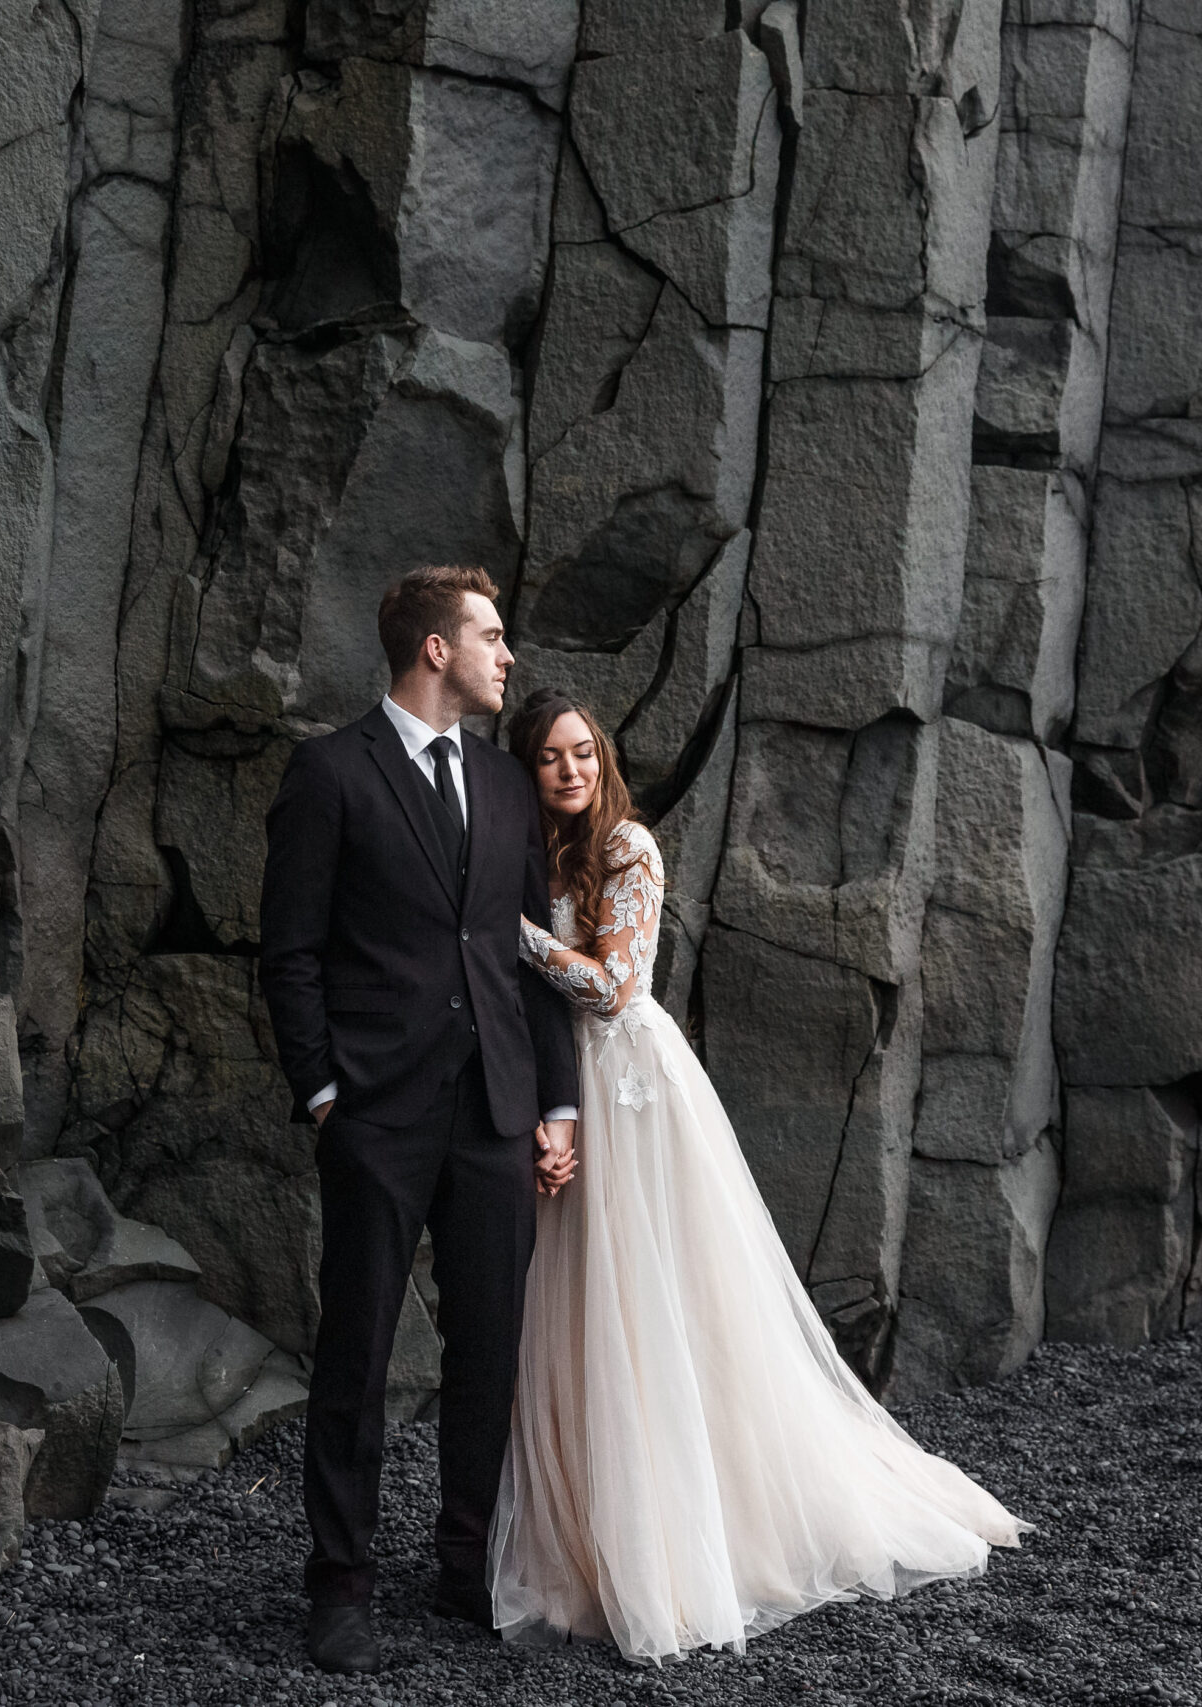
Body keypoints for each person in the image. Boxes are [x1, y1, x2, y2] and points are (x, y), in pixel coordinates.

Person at [487, 687, 1030, 1663]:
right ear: (526, 771)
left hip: (631, 1091)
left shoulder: (628, 849)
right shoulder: (537, 853)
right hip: (563, 1087)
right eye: (548, 759)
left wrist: (510, 933)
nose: (568, 772)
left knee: (660, 1297)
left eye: (580, 754)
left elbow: (615, 988)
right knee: (574, 1306)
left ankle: (689, 1535)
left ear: (600, 760)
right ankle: (590, 1533)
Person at [258, 566, 581, 1676]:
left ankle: (463, 1570)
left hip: (493, 1109)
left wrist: (553, 1101)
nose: (506, 655)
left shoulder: (502, 789)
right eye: (490, 636)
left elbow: (527, 959)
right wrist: (323, 1091)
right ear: (434, 649)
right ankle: (338, 1589)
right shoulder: (329, 774)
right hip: (377, 1114)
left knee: (489, 1348)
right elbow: (288, 951)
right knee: (354, 1348)